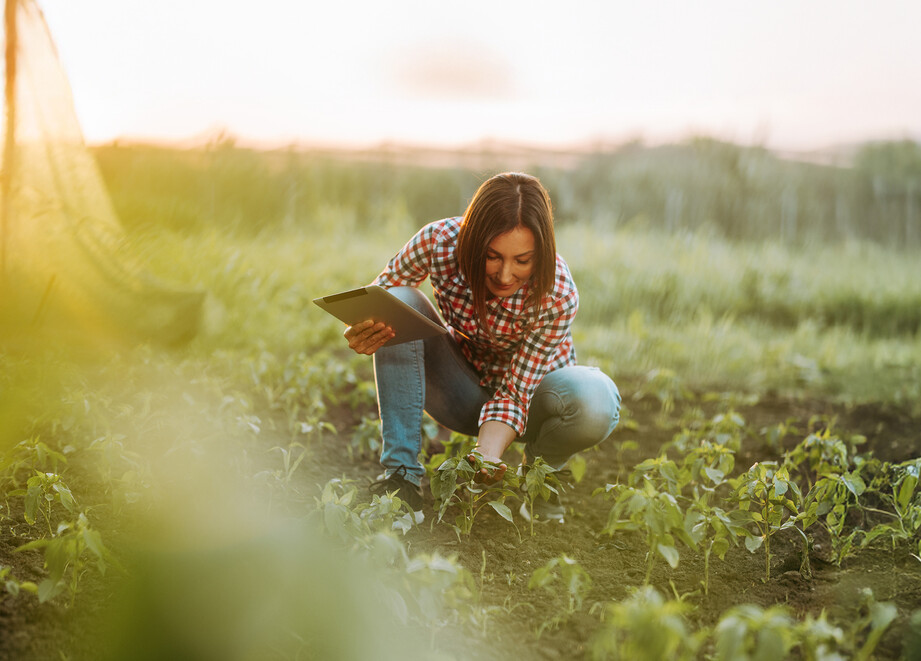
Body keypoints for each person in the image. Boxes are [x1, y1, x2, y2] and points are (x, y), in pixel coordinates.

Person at [343, 172, 621, 523]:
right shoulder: (439, 242)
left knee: (595, 400)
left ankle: (542, 476)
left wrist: (487, 453)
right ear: (472, 241)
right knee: (395, 302)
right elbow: (375, 300)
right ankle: (401, 482)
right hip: (460, 391)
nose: (505, 275)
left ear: (543, 251)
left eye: (523, 260)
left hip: (534, 404)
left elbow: (516, 393)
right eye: (492, 256)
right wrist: (364, 328)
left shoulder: (558, 293)